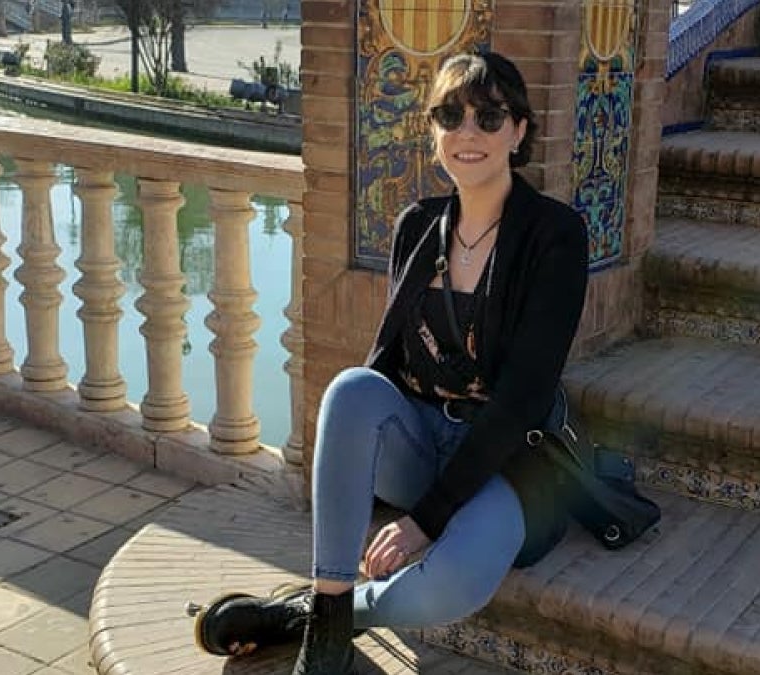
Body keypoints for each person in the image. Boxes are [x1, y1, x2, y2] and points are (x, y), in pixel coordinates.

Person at [192, 50, 589, 674]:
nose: (467, 133)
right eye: (449, 115)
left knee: (446, 588)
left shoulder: (556, 235)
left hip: (507, 461)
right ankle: (327, 633)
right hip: (421, 440)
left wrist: (425, 522)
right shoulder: (417, 225)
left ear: (519, 131)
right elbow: (388, 360)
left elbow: (524, 397)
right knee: (351, 388)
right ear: (432, 130)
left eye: (489, 117)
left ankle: (310, 615)